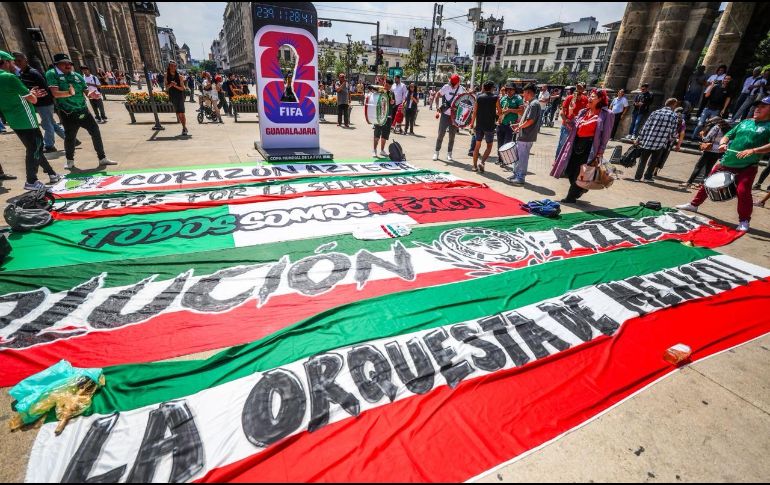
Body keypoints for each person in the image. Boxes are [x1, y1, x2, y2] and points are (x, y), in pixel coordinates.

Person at [678, 95, 770, 232]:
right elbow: (728, 135)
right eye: (757, 106)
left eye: (763, 106)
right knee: (707, 183)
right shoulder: (745, 122)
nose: (758, 108)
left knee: (743, 192)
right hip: (727, 161)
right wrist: (723, 143)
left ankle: (744, 220)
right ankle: (693, 204)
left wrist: (754, 150)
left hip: (747, 166)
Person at [0, 50, 61, 188]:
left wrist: (30, 94)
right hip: (26, 118)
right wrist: (32, 94)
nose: (13, 64)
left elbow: (12, 96)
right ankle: (31, 180)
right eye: (10, 61)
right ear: (4, 62)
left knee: (35, 148)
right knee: (35, 148)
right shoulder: (9, 77)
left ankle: (51, 173)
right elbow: (32, 100)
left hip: (13, 119)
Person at [46, 53, 117, 169]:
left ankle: (102, 158)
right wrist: (68, 93)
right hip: (68, 113)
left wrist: (91, 94)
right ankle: (70, 160)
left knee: (95, 132)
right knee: (70, 137)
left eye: (69, 63)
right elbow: (55, 93)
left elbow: (85, 91)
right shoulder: (52, 74)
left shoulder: (77, 76)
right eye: (65, 63)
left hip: (83, 111)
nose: (68, 65)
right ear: (57, 64)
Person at [551, 89, 613, 203]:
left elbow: (606, 135)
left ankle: (571, 197)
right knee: (569, 170)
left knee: (580, 173)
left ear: (600, 99)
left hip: (590, 147)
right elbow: (571, 126)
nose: (589, 98)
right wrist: (570, 113)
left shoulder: (607, 114)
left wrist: (600, 151)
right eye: (590, 95)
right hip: (575, 144)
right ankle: (581, 188)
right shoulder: (583, 111)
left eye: (593, 96)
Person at [13, 52, 68, 153]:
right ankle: (70, 139)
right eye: (15, 61)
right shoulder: (22, 73)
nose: (17, 63)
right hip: (39, 103)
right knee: (51, 123)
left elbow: (45, 88)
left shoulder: (33, 73)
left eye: (19, 61)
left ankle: (49, 146)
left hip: (44, 103)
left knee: (47, 125)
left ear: (26, 60)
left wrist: (39, 98)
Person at [632, 98, 680, 182]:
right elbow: (672, 132)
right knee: (654, 161)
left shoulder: (655, 112)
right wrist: (673, 138)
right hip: (661, 143)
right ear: (673, 105)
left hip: (648, 140)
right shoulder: (673, 116)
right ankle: (647, 177)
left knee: (642, 160)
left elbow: (645, 126)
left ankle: (637, 177)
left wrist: (639, 138)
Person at [680, 116, 730, 189]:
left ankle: (689, 182)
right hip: (718, 151)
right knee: (709, 168)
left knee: (698, 166)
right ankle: (702, 184)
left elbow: (706, 139)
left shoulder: (716, 127)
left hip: (710, 150)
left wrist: (702, 135)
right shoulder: (728, 129)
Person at [509, 83, 542, 186]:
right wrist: (518, 124)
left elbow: (530, 121)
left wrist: (519, 127)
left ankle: (520, 177)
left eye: (524, 92)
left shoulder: (534, 104)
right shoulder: (531, 103)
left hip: (527, 136)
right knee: (518, 157)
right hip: (524, 135)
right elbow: (526, 120)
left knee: (522, 158)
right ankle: (516, 174)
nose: (523, 95)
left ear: (528, 92)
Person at [432, 74, 466, 161]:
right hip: (445, 115)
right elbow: (437, 95)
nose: (452, 85)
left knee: (452, 136)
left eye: (454, 84)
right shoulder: (446, 87)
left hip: (455, 116)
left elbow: (465, 102)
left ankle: (449, 154)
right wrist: (437, 106)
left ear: (458, 83)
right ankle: (436, 152)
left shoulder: (461, 89)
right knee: (440, 134)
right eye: (451, 83)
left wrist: (459, 109)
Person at [470, 81, 500, 173]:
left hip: (479, 125)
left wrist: (472, 123)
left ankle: (474, 166)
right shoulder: (496, 98)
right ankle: (482, 162)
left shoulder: (478, 97)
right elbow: (500, 111)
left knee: (477, 146)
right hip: (490, 126)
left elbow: (474, 111)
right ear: (492, 88)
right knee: (489, 146)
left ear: (484, 87)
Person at [691, 74, 732, 139]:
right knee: (700, 124)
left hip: (717, 109)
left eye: (728, 79)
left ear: (730, 80)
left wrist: (724, 109)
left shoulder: (729, 89)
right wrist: (712, 86)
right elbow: (706, 95)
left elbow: (727, 100)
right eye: (725, 78)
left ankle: (703, 138)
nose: (726, 80)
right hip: (707, 108)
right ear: (723, 79)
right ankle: (693, 137)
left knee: (710, 125)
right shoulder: (716, 87)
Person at [556, 82, 588, 158]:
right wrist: (566, 121)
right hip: (566, 125)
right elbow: (562, 112)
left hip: (577, 126)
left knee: (572, 146)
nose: (579, 89)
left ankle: (565, 162)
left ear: (584, 89)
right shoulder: (570, 97)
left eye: (581, 87)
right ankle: (557, 160)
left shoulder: (585, 99)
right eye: (578, 87)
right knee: (562, 144)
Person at [497, 82, 524, 159]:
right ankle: (500, 159)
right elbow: (498, 109)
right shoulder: (503, 98)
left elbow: (522, 111)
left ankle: (505, 160)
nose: (508, 91)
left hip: (510, 125)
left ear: (514, 90)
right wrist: (498, 112)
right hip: (501, 123)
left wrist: (510, 110)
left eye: (511, 89)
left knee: (507, 144)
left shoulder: (518, 98)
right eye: (507, 89)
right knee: (500, 143)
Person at [372, 79, 396, 158]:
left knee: (385, 135)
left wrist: (393, 103)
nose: (388, 87)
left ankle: (382, 150)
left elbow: (393, 104)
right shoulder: (380, 91)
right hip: (379, 117)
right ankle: (374, 150)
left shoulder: (392, 93)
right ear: (384, 84)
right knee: (377, 134)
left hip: (388, 116)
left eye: (390, 86)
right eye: (387, 85)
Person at [165, 61, 189, 136]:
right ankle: (184, 126)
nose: (173, 67)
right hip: (172, 96)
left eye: (174, 66)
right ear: (169, 67)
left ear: (176, 67)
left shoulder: (180, 76)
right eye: (171, 66)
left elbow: (182, 88)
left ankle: (184, 127)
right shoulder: (166, 75)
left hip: (180, 96)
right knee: (178, 113)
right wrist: (170, 85)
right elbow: (166, 88)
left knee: (182, 113)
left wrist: (175, 86)